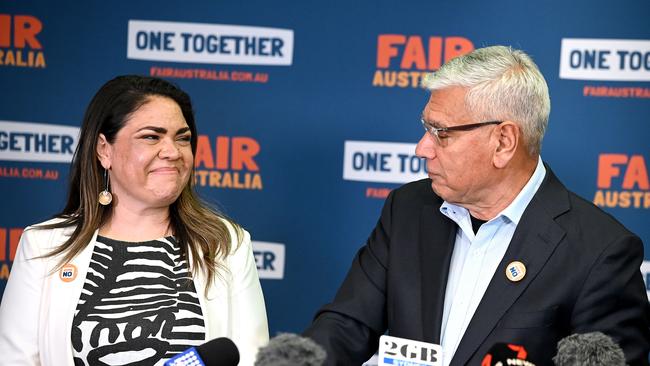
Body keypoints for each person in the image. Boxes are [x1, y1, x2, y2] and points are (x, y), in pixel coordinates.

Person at [304, 46, 650, 366]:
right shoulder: (408, 209)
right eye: (426, 128)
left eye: (441, 133)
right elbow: (347, 326)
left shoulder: (600, 253)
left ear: (503, 142)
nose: (422, 148)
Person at [0, 75, 269, 366]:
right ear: (105, 150)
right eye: (151, 136)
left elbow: (252, 358)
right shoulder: (44, 244)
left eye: (183, 138)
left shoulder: (226, 243)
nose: (172, 152)